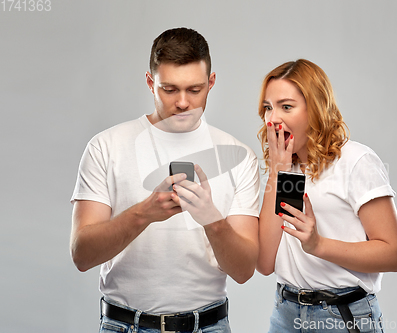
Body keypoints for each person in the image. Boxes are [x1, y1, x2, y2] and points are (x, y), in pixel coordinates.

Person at [70, 27, 260, 333]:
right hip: (125, 325)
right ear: (150, 82)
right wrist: (144, 213)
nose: (183, 102)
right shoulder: (107, 146)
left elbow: (243, 270)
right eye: (169, 89)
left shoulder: (239, 156)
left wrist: (211, 219)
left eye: (195, 90)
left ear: (211, 83)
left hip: (208, 326)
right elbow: (81, 254)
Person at [256, 59, 397, 333]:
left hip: (342, 316)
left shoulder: (355, 161)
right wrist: (277, 173)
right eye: (268, 107)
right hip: (286, 315)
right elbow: (265, 262)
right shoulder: (288, 170)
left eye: (286, 106)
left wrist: (318, 244)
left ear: (315, 108)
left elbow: (393, 254)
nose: (272, 119)